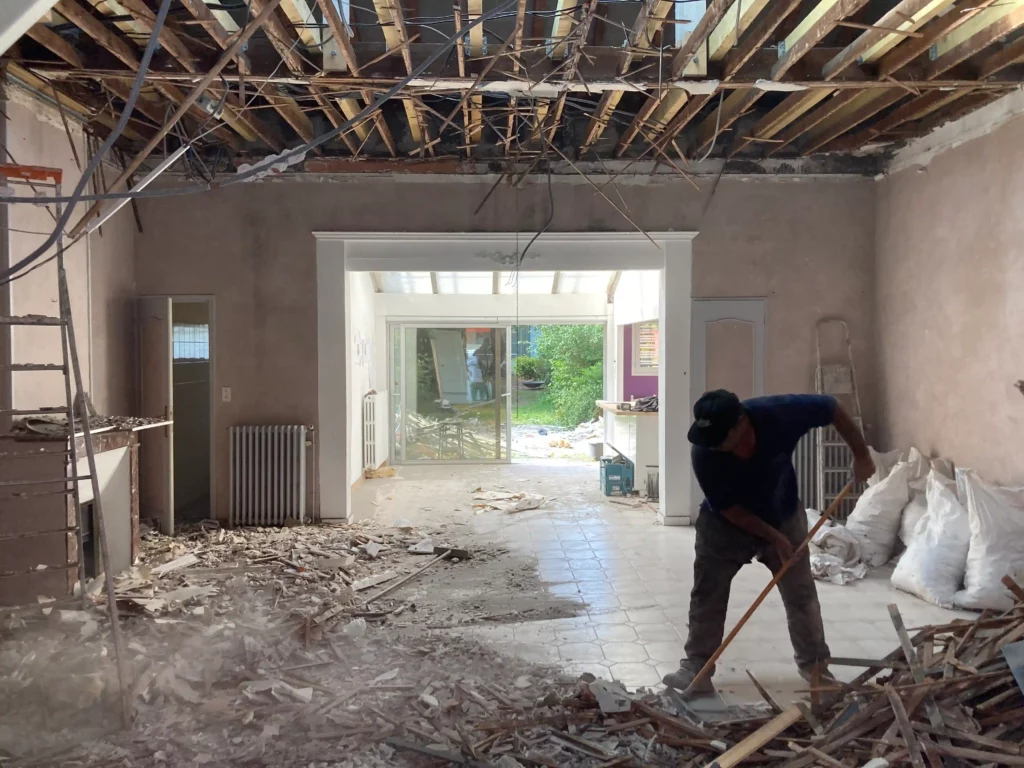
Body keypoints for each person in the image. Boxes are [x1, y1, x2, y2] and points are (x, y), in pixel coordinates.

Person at [662, 390, 875, 695]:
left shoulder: (779, 414)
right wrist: (775, 538)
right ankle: (697, 666)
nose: (715, 446)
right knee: (707, 593)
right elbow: (729, 508)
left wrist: (862, 456)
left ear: (740, 424)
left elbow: (831, 408)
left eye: (721, 438)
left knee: (801, 594)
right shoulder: (704, 451)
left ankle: (816, 668)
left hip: (782, 511)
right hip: (725, 524)